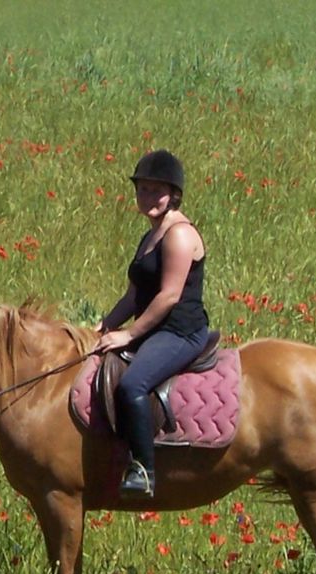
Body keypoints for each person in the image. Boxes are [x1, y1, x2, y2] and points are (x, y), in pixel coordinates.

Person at [93, 149, 210, 499]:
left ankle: (144, 469)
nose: (147, 198)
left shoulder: (179, 235)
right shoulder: (151, 235)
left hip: (179, 332)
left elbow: (169, 296)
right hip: (154, 327)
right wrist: (104, 327)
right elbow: (133, 296)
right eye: (142, 190)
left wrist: (128, 333)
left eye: (155, 191)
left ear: (173, 194)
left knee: (132, 385)